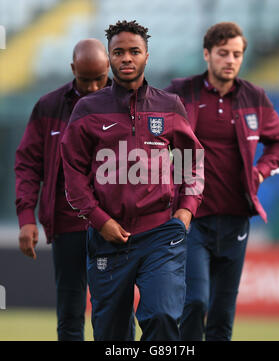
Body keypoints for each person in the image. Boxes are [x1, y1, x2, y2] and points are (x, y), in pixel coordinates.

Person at [60, 20, 204, 341]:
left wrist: (186, 211)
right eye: (119, 52)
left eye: (134, 51)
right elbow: (73, 174)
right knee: (112, 336)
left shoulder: (170, 106)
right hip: (108, 239)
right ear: (109, 57)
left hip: (161, 235)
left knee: (164, 316)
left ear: (146, 56)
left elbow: (191, 161)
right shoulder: (87, 109)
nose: (127, 58)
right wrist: (99, 220)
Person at [165, 22, 279, 341]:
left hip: (236, 220)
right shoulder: (181, 91)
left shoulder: (254, 96)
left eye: (237, 54)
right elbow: (155, 135)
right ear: (207, 55)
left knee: (222, 314)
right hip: (192, 218)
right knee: (195, 300)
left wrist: (261, 171)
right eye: (223, 53)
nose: (230, 60)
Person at [15, 39, 111, 341]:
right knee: (69, 316)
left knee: (113, 313)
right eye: (86, 79)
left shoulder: (126, 105)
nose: (95, 87)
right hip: (67, 226)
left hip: (112, 227)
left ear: (109, 68)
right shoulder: (48, 107)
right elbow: (28, 164)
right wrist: (26, 217)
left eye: (100, 78)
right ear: (72, 69)